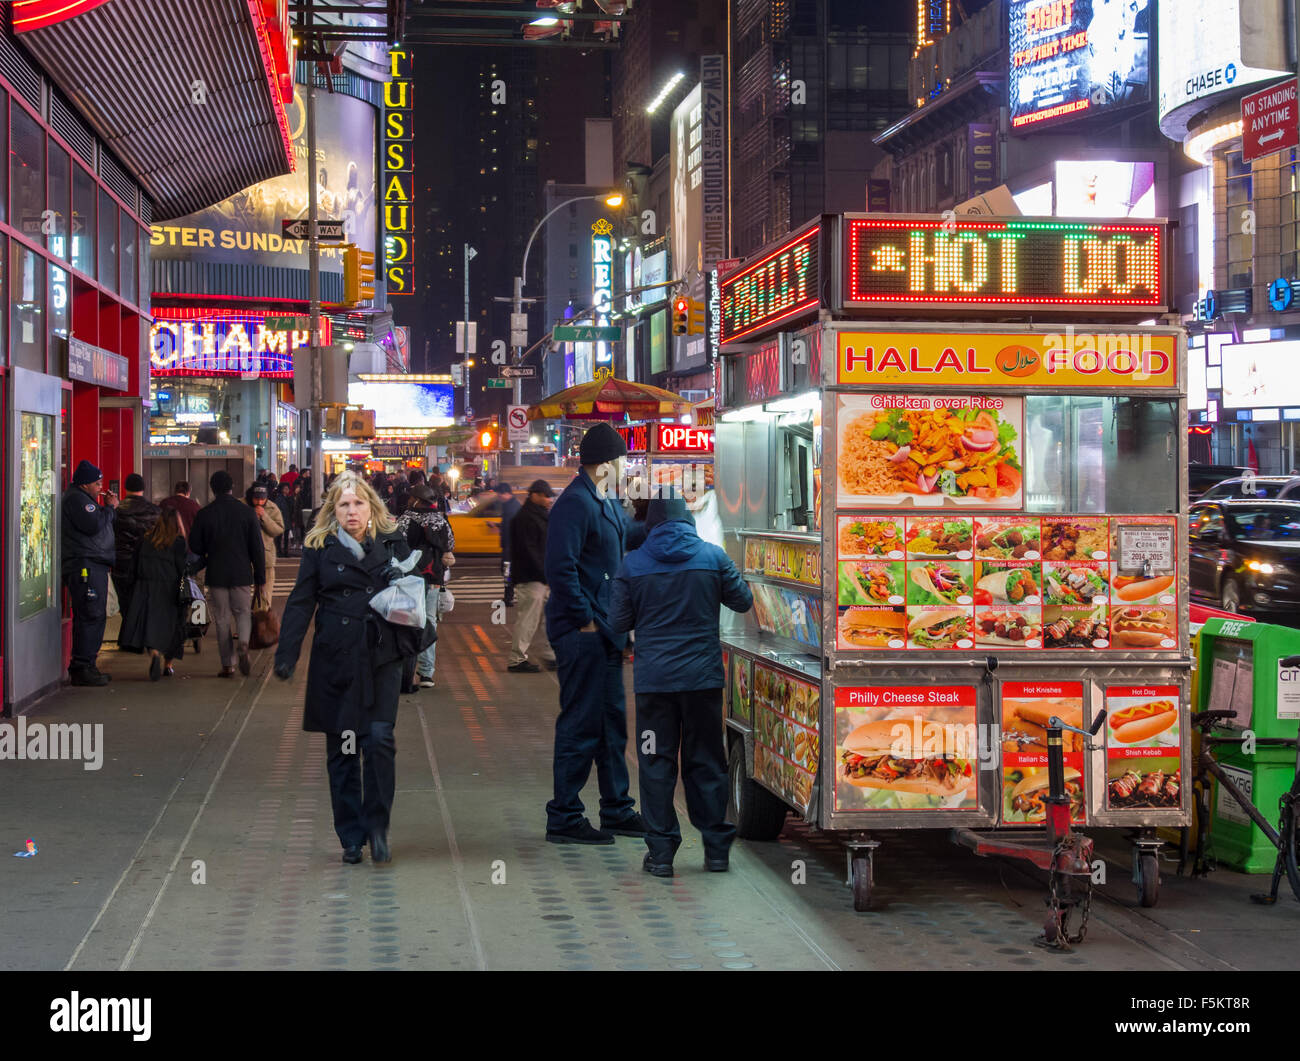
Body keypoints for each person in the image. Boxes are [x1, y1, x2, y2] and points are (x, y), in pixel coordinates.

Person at [274, 471, 421, 865]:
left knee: (379, 741)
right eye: (343, 505)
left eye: (358, 503)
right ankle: (351, 837)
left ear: (371, 506)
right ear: (333, 511)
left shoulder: (392, 542)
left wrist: (402, 577)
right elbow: (301, 601)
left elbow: (419, 587)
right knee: (343, 748)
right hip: (335, 658)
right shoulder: (319, 547)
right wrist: (287, 654)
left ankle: (378, 829)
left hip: (381, 656)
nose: (351, 511)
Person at [610, 495, 754, 877]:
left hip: (654, 687)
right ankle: (717, 851)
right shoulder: (712, 557)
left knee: (655, 762)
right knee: (706, 761)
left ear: (651, 524)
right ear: (688, 519)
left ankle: (660, 855)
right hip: (703, 683)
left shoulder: (633, 563)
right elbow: (743, 601)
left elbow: (617, 622)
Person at [544, 422, 646, 845]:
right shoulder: (575, 503)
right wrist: (584, 615)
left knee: (610, 724)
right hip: (582, 632)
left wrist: (670, 510)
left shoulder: (602, 499)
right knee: (581, 723)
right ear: (607, 463)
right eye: (623, 460)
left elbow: (627, 537)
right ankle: (565, 815)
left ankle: (616, 808)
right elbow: (560, 567)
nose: (627, 467)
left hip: (606, 632)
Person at [189, 470, 266, 678]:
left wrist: (209, 547)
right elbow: (257, 548)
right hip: (241, 572)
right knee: (242, 613)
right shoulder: (247, 513)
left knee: (222, 618)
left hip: (216, 572)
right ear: (232, 488)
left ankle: (228, 665)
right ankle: (242, 643)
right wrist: (260, 578)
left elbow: (195, 545)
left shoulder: (205, 514)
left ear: (213, 489)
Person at [61, 460, 118, 686]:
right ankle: (83, 667)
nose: (100, 487)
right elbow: (93, 525)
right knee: (90, 615)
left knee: (94, 615)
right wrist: (110, 508)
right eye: (97, 483)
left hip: (93, 564)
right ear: (84, 484)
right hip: (85, 566)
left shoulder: (84, 499)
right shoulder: (78, 500)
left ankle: (87, 665)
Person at [118, 507, 191, 680]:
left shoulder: (145, 540)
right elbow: (182, 568)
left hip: (145, 589)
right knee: (173, 627)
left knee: (150, 625)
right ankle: (168, 665)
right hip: (170, 589)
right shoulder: (178, 542)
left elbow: (133, 566)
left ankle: (155, 653)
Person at [395, 484, 456, 690]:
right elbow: (450, 543)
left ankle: (406, 673)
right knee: (429, 621)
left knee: (408, 622)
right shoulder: (440, 520)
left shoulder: (405, 519)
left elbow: (397, 545)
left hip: (409, 577)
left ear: (416, 499)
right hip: (433, 577)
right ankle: (427, 673)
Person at [508, 480, 556, 673]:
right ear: (534, 495)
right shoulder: (526, 518)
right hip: (531, 577)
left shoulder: (538, 515)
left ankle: (548, 654)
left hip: (540, 577)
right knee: (528, 619)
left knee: (547, 617)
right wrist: (544, 574)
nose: (548, 499)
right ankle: (517, 658)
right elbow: (529, 551)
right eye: (545, 495)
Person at [111, 473, 160, 622]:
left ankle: (129, 634)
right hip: (148, 564)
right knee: (146, 602)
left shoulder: (116, 512)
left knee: (125, 604)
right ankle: (143, 636)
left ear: (125, 488)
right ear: (143, 488)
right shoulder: (155, 511)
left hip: (122, 564)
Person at [247, 483, 285, 603]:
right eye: (256, 498)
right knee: (243, 600)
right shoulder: (240, 505)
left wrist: (264, 517)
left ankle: (262, 620)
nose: (259, 502)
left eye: (262, 499)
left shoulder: (272, 508)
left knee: (264, 598)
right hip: (244, 557)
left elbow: (278, 529)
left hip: (265, 556)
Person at [495, 482, 522, 606]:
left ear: (506, 493)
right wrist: (497, 525)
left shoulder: (512, 507)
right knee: (507, 572)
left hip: (511, 547)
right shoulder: (509, 505)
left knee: (507, 572)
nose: (498, 497)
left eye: (499, 494)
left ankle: (509, 597)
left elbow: (511, 527)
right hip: (509, 546)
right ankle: (509, 596)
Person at [273, 482, 295, 556]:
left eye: (288, 489)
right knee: (280, 536)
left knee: (286, 537)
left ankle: (285, 551)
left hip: (287, 519)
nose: (287, 490)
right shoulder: (279, 498)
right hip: (281, 519)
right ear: (282, 489)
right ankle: (279, 551)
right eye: (285, 489)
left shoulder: (288, 498)